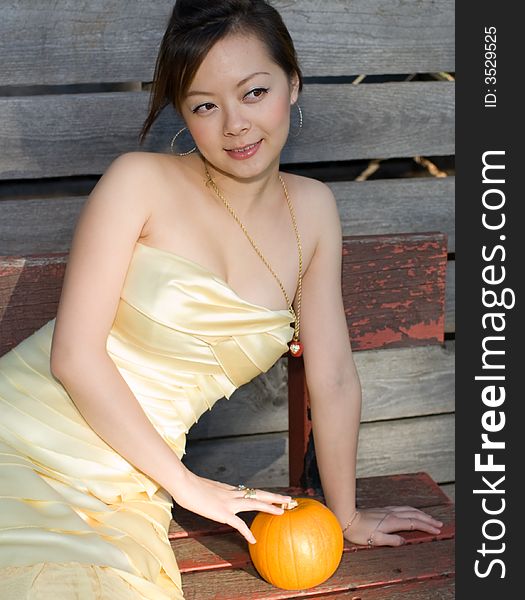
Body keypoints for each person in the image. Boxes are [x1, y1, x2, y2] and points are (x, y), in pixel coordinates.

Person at [0, 0, 443, 598]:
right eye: (205, 105)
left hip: (129, 488)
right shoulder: (139, 181)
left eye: (253, 92)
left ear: (293, 83)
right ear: (183, 114)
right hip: (22, 440)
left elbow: (333, 376)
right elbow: (74, 357)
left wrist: (345, 515)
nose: (234, 124)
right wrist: (187, 486)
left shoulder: (312, 211)